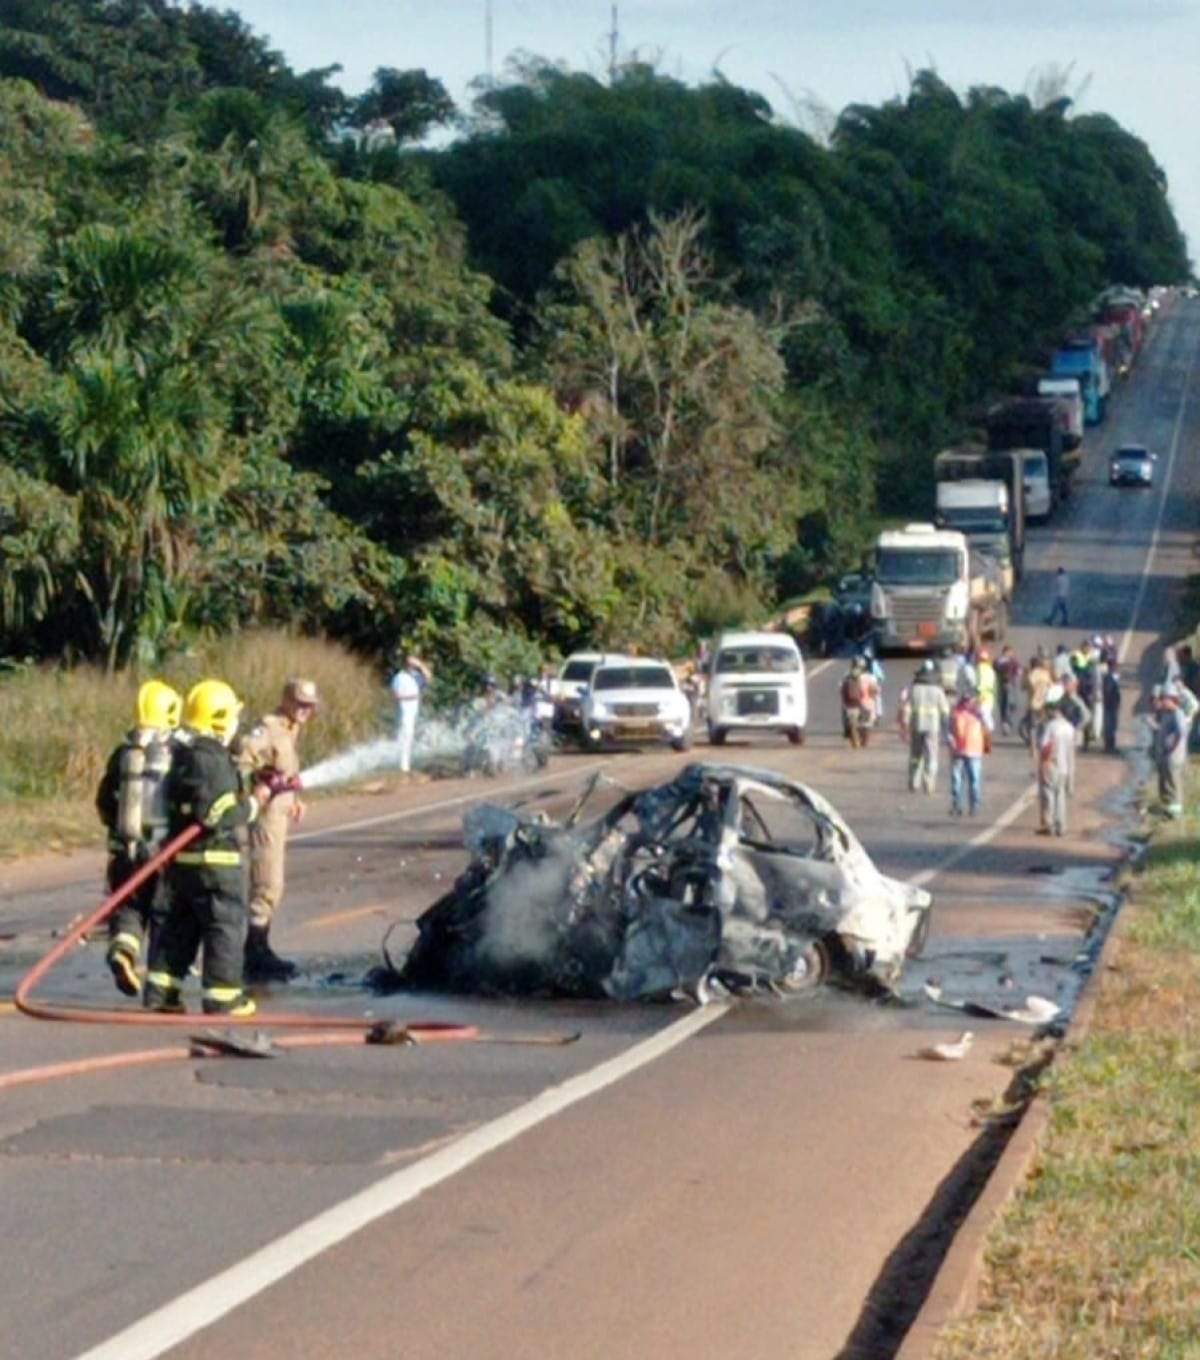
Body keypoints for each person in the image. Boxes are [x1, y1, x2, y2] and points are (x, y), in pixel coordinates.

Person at [143, 679, 269, 1016]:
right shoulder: (212, 757)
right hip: (216, 863)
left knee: (180, 929)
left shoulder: (183, 755)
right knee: (223, 928)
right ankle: (223, 998)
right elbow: (217, 813)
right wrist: (254, 805)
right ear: (219, 718)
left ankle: (161, 992)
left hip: (184, 864)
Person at [94, 679, 182, 997]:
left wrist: (117, 834)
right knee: (164, 914)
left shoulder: (124, 752)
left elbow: (104, 800)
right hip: (161, 853)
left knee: (128, 909)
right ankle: (160, 986)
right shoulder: (175, 752)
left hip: (125, 852)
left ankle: (123, 951)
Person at [233, 677, 320, 983]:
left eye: (310, 706)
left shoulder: (291, 731)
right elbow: (242, 758)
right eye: (300, 703)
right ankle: (254, 952)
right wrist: (257, 784)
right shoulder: (268, 728)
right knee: (267, 881)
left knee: (275, 884)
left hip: (281, 813)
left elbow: (287, 773)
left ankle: (259, 946)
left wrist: (294, 800)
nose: (305, 710)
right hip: (266, 816)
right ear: (286, 700)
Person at [900, 659, 950, 795]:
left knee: (915, 755)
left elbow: (907, 709)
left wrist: (904, 726)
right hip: (933, 728)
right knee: (931, 756)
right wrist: (947, 728)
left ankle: (914, 782)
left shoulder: (914, 689)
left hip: (916, 726)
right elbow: (945, 711)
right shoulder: (938, 690)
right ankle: (929, 784)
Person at [947, 685, 992, 817]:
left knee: (974, 781)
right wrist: (951, 741)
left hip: (974, 751)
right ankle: (956, 805)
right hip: (958, 751)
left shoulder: (980, 714)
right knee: (956, 780)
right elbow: (948, 730)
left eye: (970, 700)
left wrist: (981, 714)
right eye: (966, 700)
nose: (968, 703)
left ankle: (974, 806)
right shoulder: (956, 713)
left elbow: (989, 727)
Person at [1037, 694, 1077, 836]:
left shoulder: (1051, 726)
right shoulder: (1070, 728)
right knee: (1060, 796)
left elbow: (1043, 746)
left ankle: (1049, 825)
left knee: (1048, 795)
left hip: (1050, 764)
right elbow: (1071, 751)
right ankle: (1061, 825)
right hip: (1064, 767)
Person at [1150, 683, 1190, 818]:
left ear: (1173, 699)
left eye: (1165, 698)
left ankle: (1175, 811)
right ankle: (1167, 806)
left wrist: (1173, 746)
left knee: (1173, 782)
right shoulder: (1166, 713)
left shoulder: (1177, 713)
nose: (1163, 701)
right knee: (1165, 780)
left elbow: (1181, 732)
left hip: (1174, 755)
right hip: (1166, 754)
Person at [390, 652, 432, 776]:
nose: (411, 665)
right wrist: (413, 696)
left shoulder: (416, 676)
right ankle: (403, 766)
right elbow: (396, 696)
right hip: (404, 710)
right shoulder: (399, 677)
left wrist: (421, 665)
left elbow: (429, 678)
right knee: (405, 735)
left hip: (413, 710)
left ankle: (406, 765)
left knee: (411, 735)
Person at [840, 657, 867, 749]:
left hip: (848, 704)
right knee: (862, 721)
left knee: (847, 720)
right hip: (858, 703)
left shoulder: (846, 675)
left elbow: (841, 689)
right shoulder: (864, 676)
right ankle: (861, 738)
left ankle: (849, 734)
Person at [995, 644, 1021, 735]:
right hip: (1005, 685)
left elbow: (1018, 671)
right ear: (1005, 652)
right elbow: (997, 669)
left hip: (1010, 685)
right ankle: (1005, 724)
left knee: (1010, 705)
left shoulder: (1013, 661)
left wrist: (1017, 675)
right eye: (1009, 652)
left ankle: (1006, 723)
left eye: (1011, 652)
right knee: (1006, 705)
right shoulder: (1001, 661)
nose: (1011, 654)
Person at [1101, 658, 1121, 754]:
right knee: (1110, 726)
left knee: (1111, 725)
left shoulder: (1111, 677)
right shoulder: (1109, 678)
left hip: (1111, 705)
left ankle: (1110, 745)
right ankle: (1109, 746)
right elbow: (1108, 691)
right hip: (1110, 705)